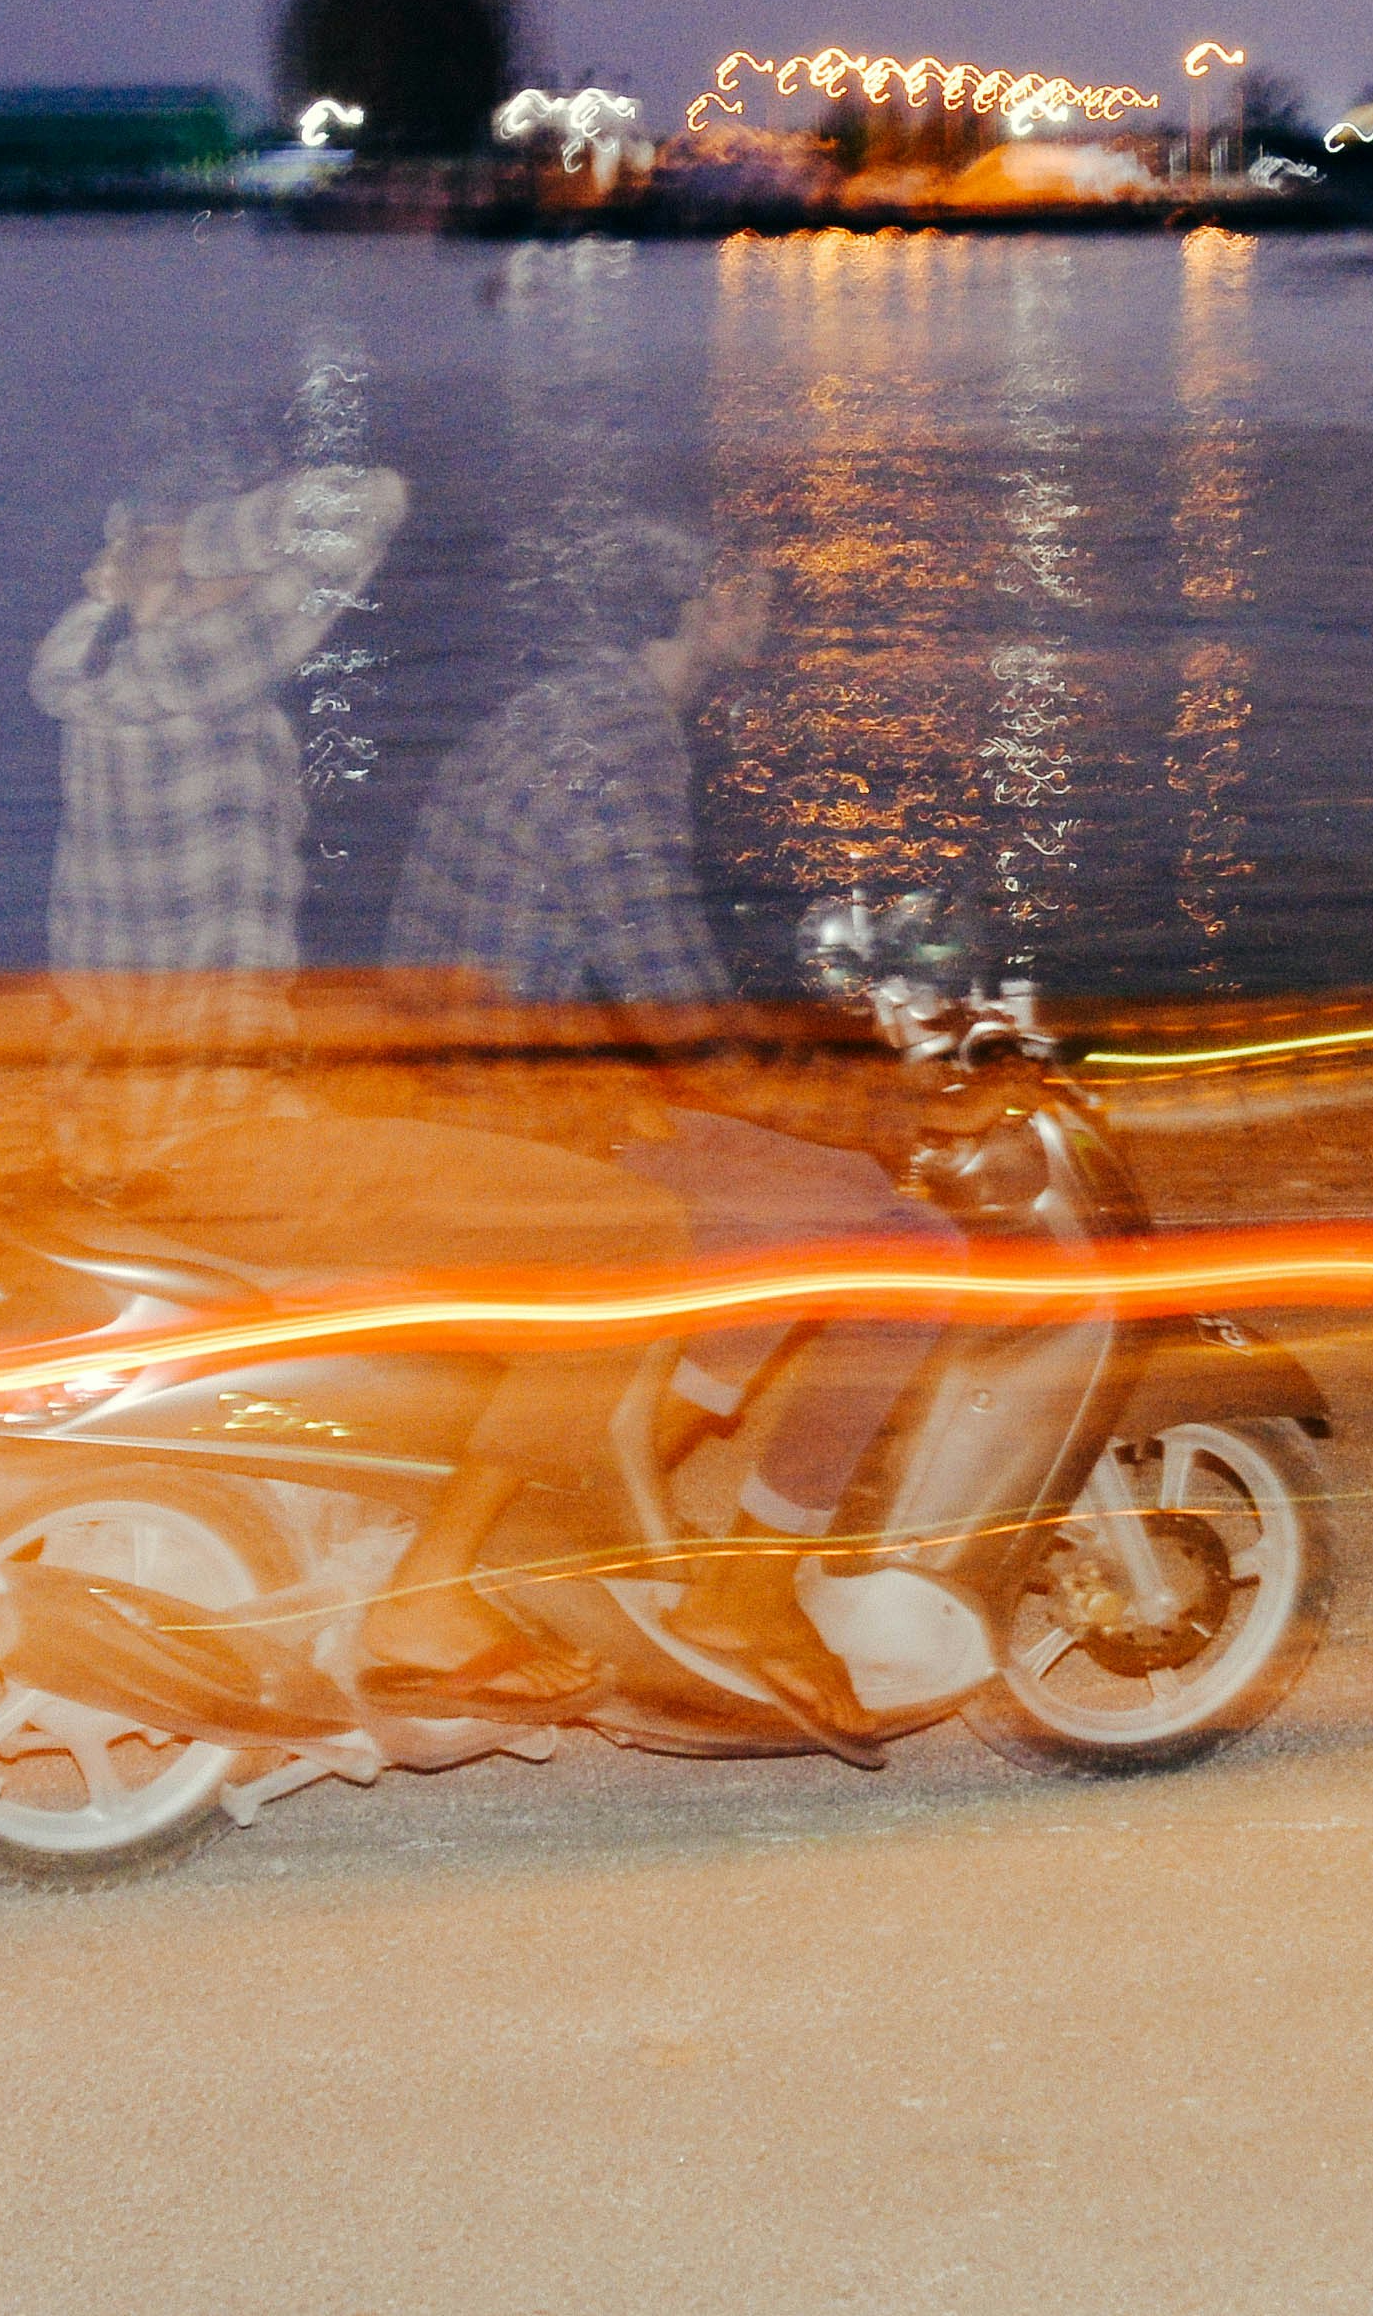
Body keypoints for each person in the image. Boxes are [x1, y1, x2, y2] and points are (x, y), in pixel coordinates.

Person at [375, 515, 950, 1742]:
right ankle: (737, 1584)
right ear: (706, 598)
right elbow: (686, 1016)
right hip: (512, 1125)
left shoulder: (559, 712)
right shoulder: (618, 744)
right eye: (754, 584)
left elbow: (596, 966)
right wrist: (868, 1102)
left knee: (820, 1198)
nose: (770, 606)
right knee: (905, 1243)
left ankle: (627, 1485)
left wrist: (624, 1073)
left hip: (485, 1088)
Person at [27, 459, 402, 1194]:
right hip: (216, 1121)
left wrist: (135, 573)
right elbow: (367, 503)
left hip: (104, 1116)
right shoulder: (199, 672)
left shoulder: (94, 685)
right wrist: (194, 543)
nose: (255, 585)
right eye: (231, 575)